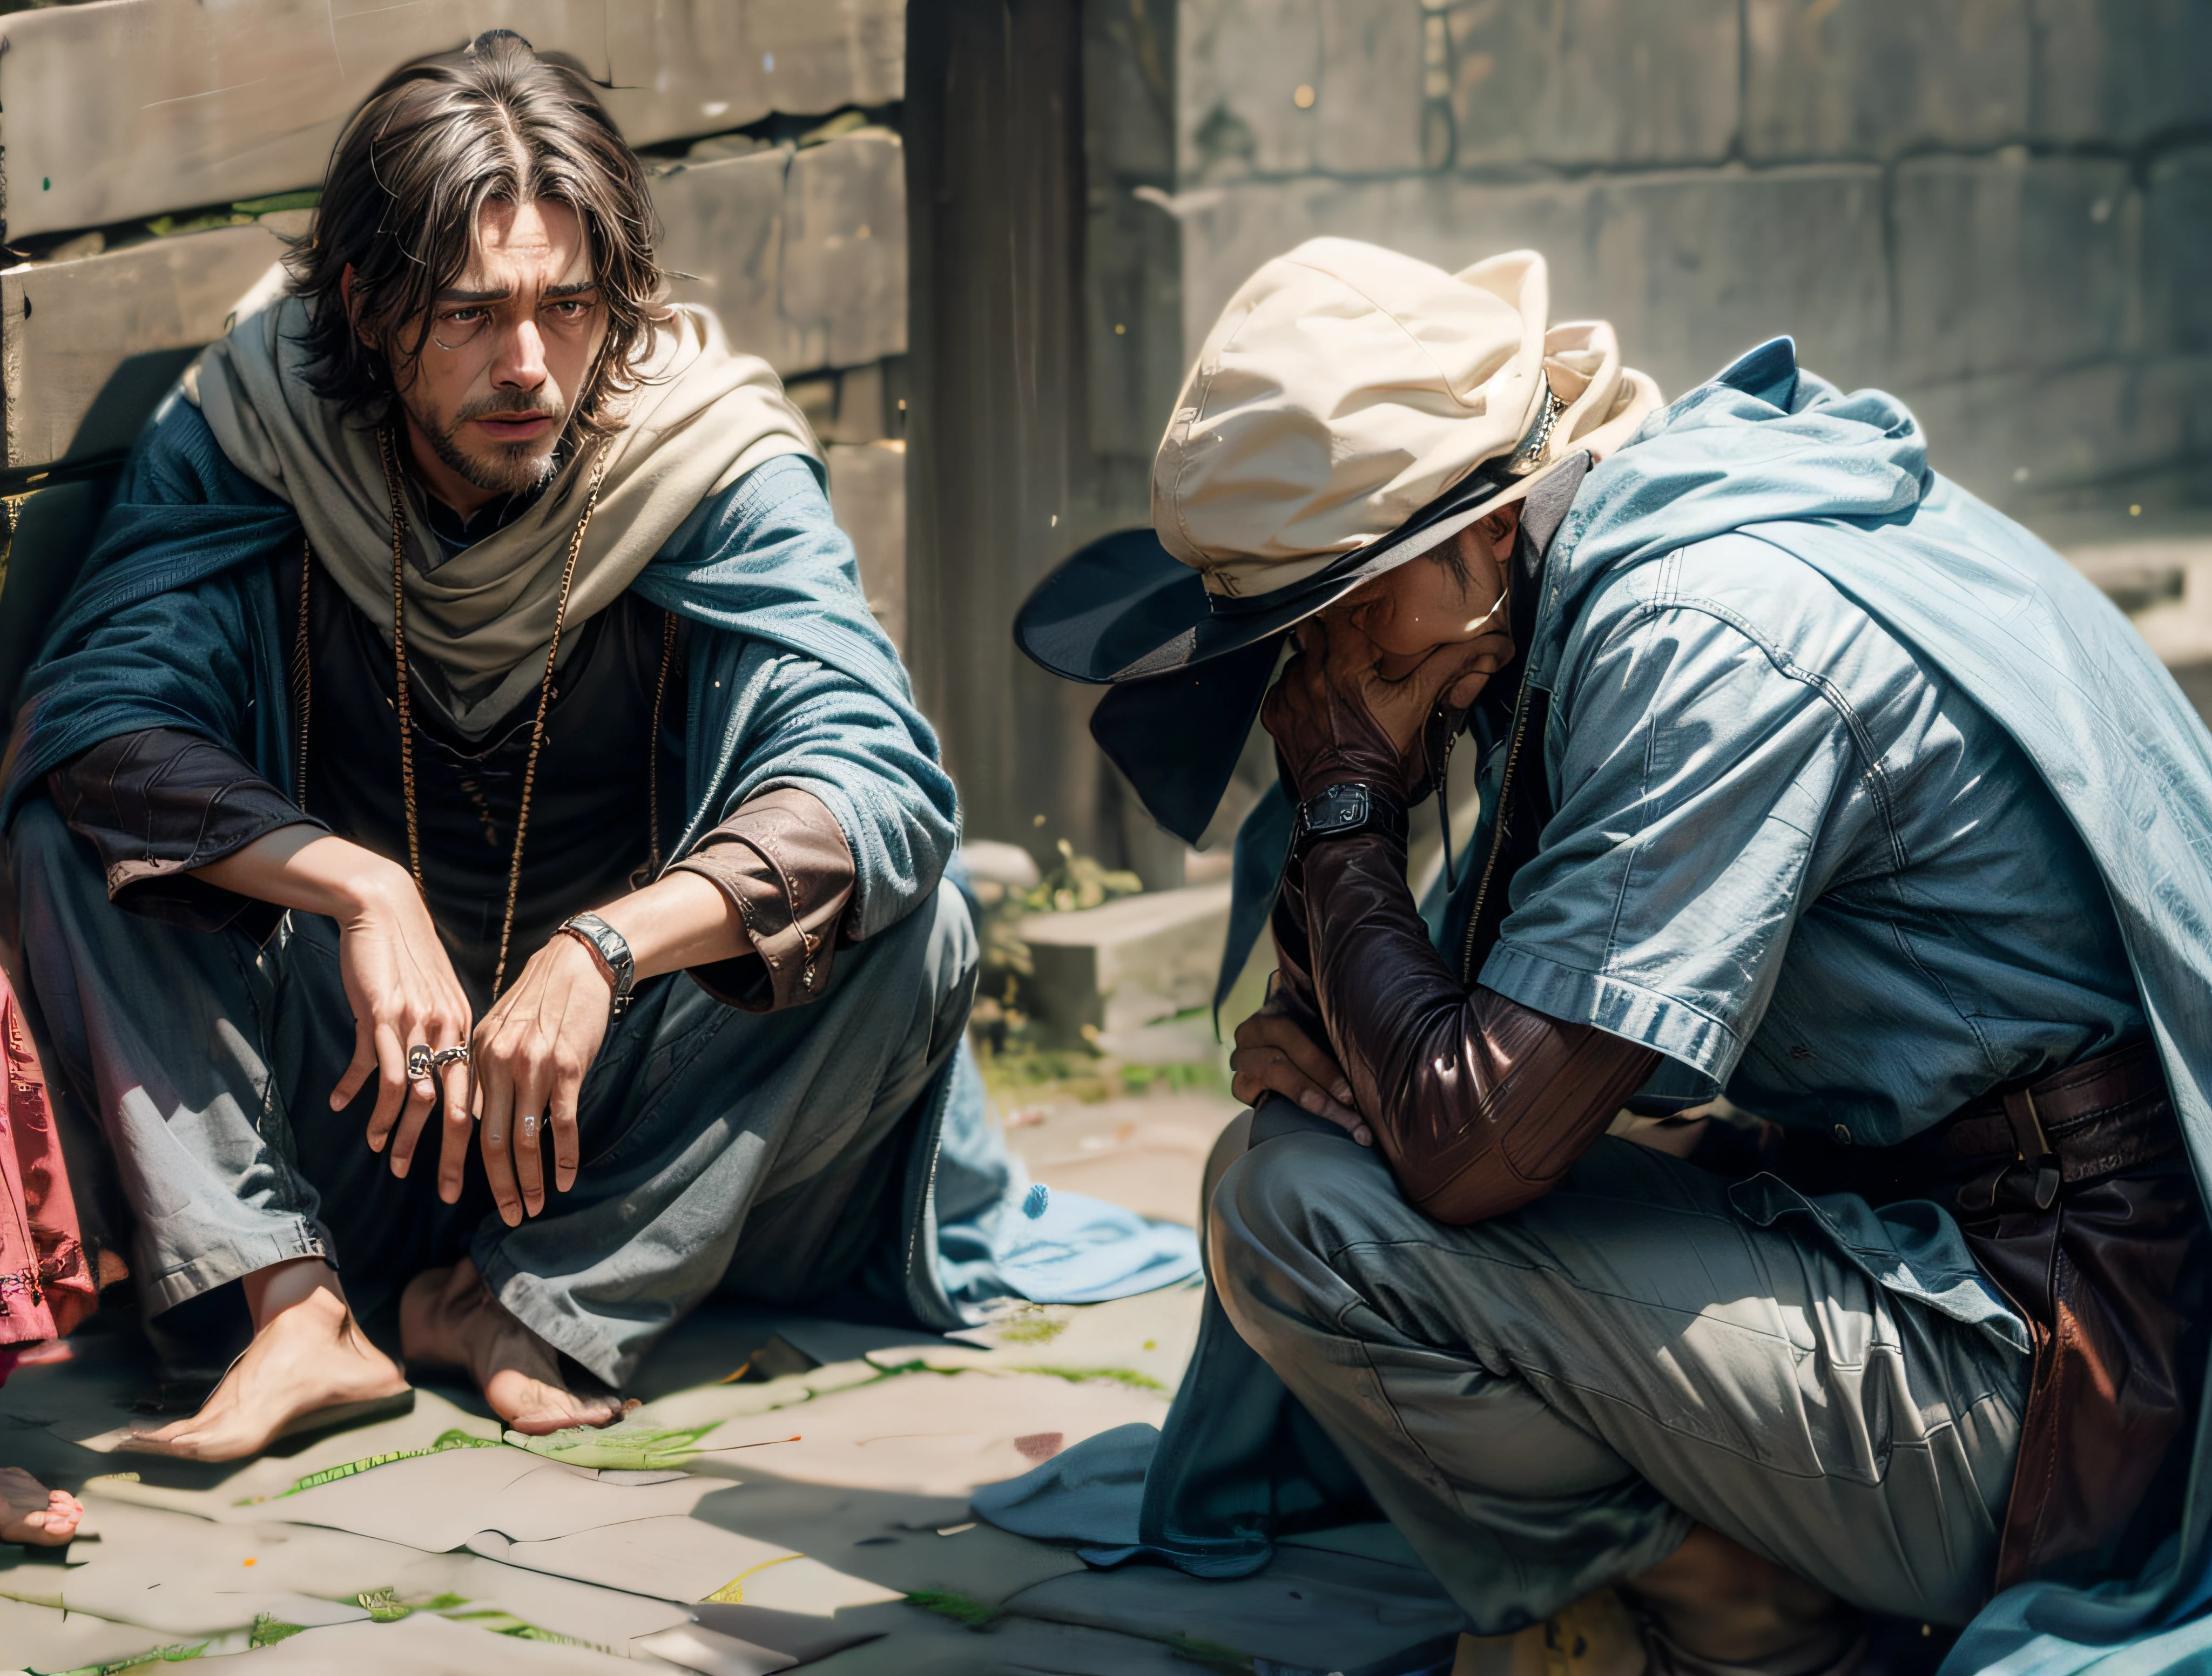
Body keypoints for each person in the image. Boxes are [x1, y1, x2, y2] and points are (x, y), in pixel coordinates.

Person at [1004, 240, 2212, 1675]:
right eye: (1295, 642)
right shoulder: (1634, 549)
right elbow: (1487, 1061)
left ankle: (1737, 1608)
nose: (1320, 675)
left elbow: (1468, 1145)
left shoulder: (1698, 633)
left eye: (1342, 613)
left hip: (2056, 1394)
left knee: (1299, 1216)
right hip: (1947, 1248)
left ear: (1487, 530)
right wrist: (1353, 1020)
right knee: (1328, 1166)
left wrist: (1344, 812)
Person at [0, 32, 986, 1462]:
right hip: (352, 1099)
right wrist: (360, 888)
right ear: (368, 302)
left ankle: (538, 1301)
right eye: (469, 314)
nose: (528, 365)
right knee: (64, 840)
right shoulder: (261, 425)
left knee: (919, 925)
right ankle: (294, 1305)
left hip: (629, 1115)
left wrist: (611, 951)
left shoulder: (702, 453)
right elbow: (96, 720)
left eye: (568, 307)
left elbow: (876, 782)